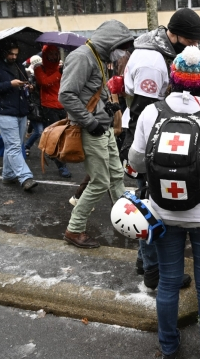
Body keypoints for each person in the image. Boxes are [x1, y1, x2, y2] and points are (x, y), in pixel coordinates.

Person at [129, 46, 200, 359]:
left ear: (173, 78)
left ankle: (168, 345)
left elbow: (137, 162)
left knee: (168, 282)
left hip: (163, 212)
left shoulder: (151, 113)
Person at [123, 8, 200, 284]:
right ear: (176, 34)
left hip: (153, 133)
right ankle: (154, 272)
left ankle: (144, 262)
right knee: (152, 203)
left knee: (150, 199)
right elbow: (145, 111)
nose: (194, 48)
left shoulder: (164, 51)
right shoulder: (151, 61)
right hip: (146, 136)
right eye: (192, 42)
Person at [58, 19, 133, 248]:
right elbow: (66, 95)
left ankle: (127, 219)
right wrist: (91, 122)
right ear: (110, 42)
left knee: (116, 175)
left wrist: (105, 109)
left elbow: (89, 94)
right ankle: (74, 229)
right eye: (120, 46)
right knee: (100, 181)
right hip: (92, 130)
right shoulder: (83, 56)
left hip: (103, 128)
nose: (121, 53)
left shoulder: (97, 58)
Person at [0, 39, 38, 191]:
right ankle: (25, 177)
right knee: (14, 146)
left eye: (16, 54)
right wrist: (10, 84)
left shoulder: (18, 65)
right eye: (11, 54)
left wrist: (28, 87)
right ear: (3, 52)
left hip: (20, 110)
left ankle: (8, 174)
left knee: (13, 145)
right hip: (3, 111)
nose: (13, 56)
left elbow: (22, 83)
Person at [34, 45, 72, 178]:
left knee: (65, 136)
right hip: (48, 107)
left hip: (63, 105)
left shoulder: (61, 68)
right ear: (45, 55)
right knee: (55, 137)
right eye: (51, 54)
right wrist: (59, 73)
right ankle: (61, 165)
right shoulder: (39, 68)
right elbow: (45, 82)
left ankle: (59, 156)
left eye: (56, 53)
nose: (54, 56)